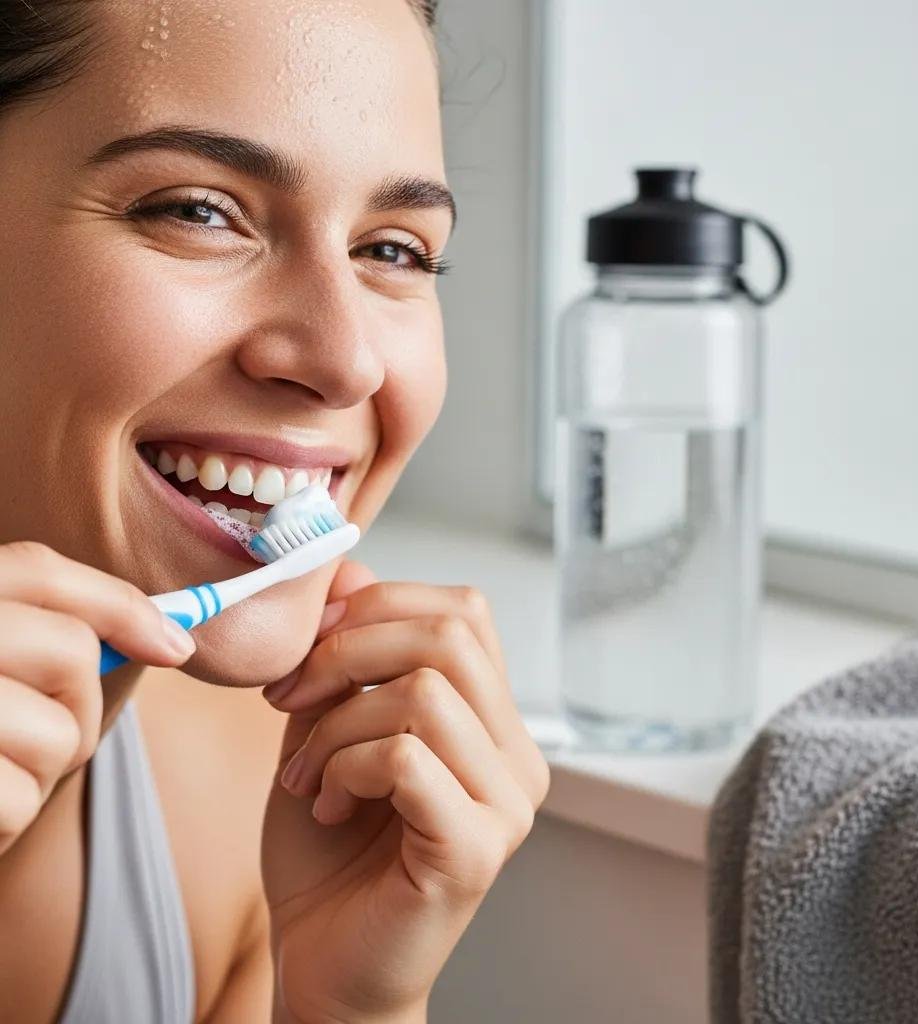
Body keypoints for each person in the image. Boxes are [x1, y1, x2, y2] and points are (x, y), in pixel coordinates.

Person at [0, 1, 549, 1020]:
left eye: (393, 251)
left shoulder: (267, 778)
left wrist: (352, 1002)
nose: (346, 358)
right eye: (198, 209)